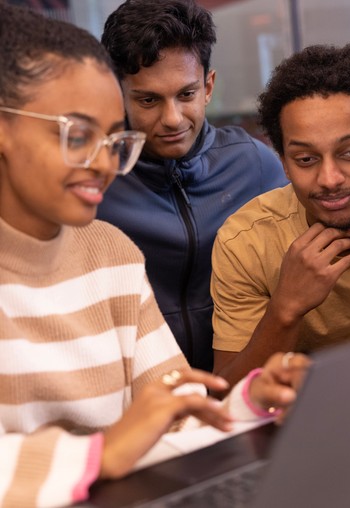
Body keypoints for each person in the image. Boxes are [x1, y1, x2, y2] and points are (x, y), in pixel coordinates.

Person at [0, 5, 303, 507]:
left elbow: (177, 416)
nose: (103, 164)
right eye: (77, 136)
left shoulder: (111, 254)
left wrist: (251, 404)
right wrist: (98, 454)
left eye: (112, 140)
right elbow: (115, 449)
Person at [96, 0, 288, 371]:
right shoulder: (96, 179)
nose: (172, 119)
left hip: (242, 386)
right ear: (118, 94)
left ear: (208, 86)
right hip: (138, 399)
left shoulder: (255, 165)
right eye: (149, 99)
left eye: (186, 94)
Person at [211, 43, 350, 388]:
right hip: (293, 423)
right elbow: (224, 398)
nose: (330, 179)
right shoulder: (246, 242)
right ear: (284, 164)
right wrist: (285, 308)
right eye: (306, 159)